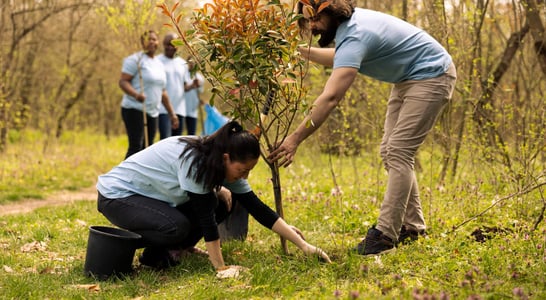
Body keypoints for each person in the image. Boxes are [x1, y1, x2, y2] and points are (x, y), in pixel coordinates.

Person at [268, 1, 457, 255]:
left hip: (432, 74)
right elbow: (341, 56)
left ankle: (385, 236)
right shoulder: (350, 29)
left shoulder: (356, 33)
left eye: (315, 19)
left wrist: (295, 139)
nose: (312, 26)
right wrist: (299, 51)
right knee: (390, 151)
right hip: (408, 79)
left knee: (399, 152)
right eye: (307, 20)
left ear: (332, 11)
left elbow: (331, 98)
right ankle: (412, 228)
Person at [96, 121, 331, 274]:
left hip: (150, 198)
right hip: (117, 196)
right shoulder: (195, 161)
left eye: (249, 171)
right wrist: (221, 268)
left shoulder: (218, 159)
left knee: (220, 200)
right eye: (243, 170)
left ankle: (166, 252)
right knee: (176, 226)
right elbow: (206, 221)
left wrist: (303, 245)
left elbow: (258, 208)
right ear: (226, 158)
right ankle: (119, 245)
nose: (245, 176)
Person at [119, 30, 179, 158]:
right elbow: (123, 81)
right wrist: (136, 94)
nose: (151, 42)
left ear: (158, 43)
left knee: (148, 147)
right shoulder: (135, 60)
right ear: (142, 42)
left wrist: (172, 114)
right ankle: (122, 177)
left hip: (153, 111)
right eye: (148, 39)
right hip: (134, 109)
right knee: (136, 147)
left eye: (154, 39)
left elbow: (163, 91)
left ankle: (140, 178)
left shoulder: (159, 64)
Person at [157, 33, 188, 139]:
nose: (170, 47)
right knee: (165, 140)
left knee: (176, 142)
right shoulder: (157, 61)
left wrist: (193, 85)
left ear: (178, 46)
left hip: (180, 109)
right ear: (163, 44)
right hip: (163, 110)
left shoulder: (183, 63)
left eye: (173, 44)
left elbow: (184, 86)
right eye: (167, 44)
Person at [183, 56, 205, 135]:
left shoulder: (200, 78)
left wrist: (198, 85)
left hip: (193, 109)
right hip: (182, 108)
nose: (192, 64)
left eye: (194, 62)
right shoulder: (183, 74)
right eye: (190, 62)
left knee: (191, 133)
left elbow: (200, 91)